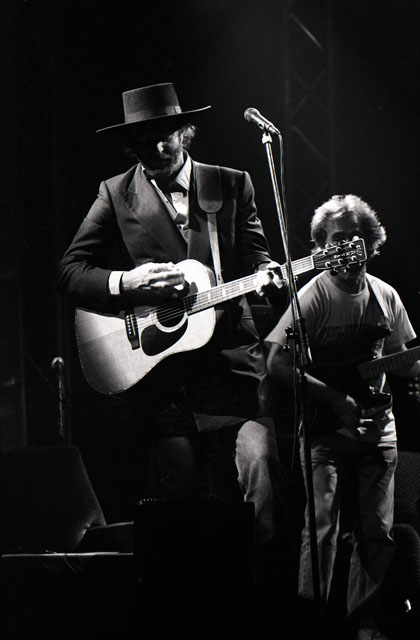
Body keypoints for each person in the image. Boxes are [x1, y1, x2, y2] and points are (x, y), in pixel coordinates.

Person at [57, 82, 289, 597]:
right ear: (130, 145)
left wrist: (265, 275)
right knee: (183, 507)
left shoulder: (231, 183)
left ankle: (260, 604)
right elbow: (70, 271)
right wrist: (128, 281)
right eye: (143, 141)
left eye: (165, 135)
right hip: (166, 375)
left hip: (231, 369)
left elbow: (257, 258)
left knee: (259, 479)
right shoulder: (115, 192)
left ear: (186, 131)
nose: (157, 148)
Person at [264, 194, 420, 639]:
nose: (348, 246)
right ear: (321, 246)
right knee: (322, 530)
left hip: (377, 428)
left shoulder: (386, 296)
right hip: (324, 431)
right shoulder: (311, 297)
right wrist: (333, 398)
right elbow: (277, 364)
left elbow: (401, 359)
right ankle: (313, 622)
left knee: (377, 533)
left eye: (356, 237)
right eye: (338, 239)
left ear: (371, 243)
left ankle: (364, 624)